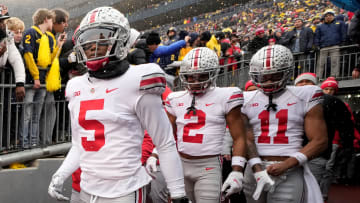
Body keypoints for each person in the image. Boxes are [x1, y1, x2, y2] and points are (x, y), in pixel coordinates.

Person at [47, 7, 188, 203]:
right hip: (87, 190)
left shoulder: (137, 79)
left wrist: (178, 192)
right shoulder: (75, 86)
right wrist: (61, 173)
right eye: (88, 41)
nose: (93, 46)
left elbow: (164, 141)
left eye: (101, 39)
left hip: (124, 190)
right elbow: (80, 144)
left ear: (120, 40)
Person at [241, 45, 327, 203]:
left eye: (274, 75)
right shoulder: (246, 98)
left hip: (290, 169)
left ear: (286, 72)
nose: (267, 81)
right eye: (262, 76)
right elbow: (247, 139)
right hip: (254, 168)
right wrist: (257, 167)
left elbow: (320, 140)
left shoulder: (305, 94)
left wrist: (287, 164)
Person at [164, 47, 247, 203]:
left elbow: (239, 137)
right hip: (180, 164)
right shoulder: (175, 98)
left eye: (201, 76)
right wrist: (155, 155)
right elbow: (166, 134)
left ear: (213, 73)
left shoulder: (226, 95)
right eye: (190, 77)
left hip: (208, 165)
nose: (195, 82)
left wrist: (237, 170)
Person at [19, 8, 64, 148]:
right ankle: (24, 143)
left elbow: (51, 59)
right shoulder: (30, 32)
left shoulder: (50, 38)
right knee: (27, 113)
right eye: (51, 20)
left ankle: (33, 142)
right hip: (32, 80)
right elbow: (28, 55)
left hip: (43, 80)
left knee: (36, 115)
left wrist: (59, 45)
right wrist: (36, 76)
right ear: (46, 19)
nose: (52, 23)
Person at [314, 9, 347, 79]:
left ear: (333, 16)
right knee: (320, 63)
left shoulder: (339, 23)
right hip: (323, 47)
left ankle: (334, 77)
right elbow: (317, 36)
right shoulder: (320, 26)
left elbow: (343, 33)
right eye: (326, 16)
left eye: (330, 15)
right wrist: (317, 45)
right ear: (324, 17)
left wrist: (343, 42)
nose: (328, 17)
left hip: (335, 45)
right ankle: (318, 77)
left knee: (335, 62)